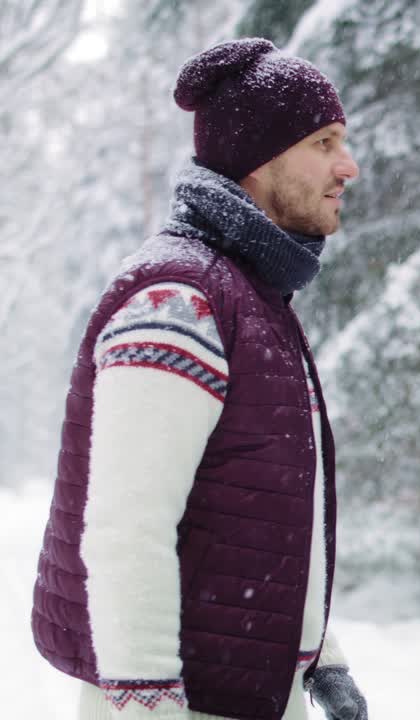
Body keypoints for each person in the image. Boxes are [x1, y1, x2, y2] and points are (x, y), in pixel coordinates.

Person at [31, 38, 367, 720]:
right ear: (258, 161)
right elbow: (129, 529)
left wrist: (318, 652)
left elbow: (255, 510)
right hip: (175, 700)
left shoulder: (250, 296)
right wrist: (149, 706)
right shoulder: (178, 301)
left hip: (245, 688)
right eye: (324, 143)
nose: (348, 165)